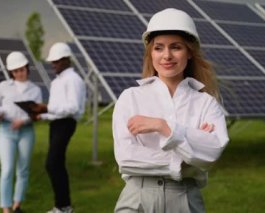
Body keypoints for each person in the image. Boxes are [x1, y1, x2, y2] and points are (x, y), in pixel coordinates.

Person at [112, 8, 229, 213]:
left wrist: (164, 127)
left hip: (185, 199)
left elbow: (212, 151)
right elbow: (127, 158)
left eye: (176, 47)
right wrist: (186, 159)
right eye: (158, 48)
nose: (166, 56)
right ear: (151, 52)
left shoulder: (206, 103)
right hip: (137, 198)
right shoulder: (130, 98)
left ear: (190, 51)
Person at [31, 42, 86, 213]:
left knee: (52, 163)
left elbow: (73, 108)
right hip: (56, 124)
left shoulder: (74, 80)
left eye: (56, 61)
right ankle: (62, 206)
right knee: (57, 164)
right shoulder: (56, 82)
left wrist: (46, 108)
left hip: (66, 124)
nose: (53, 65)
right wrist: (41, 115)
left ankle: (63, 206)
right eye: (52, 62)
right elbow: (56, 108)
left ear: (66, 60)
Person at [0, 51, 42, 213]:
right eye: (15, 71)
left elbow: (38, 113)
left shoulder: (36, 89)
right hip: (6, 131)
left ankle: (17, 204)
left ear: (27, 68)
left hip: (26, 131)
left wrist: (24, 121)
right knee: (7, 169)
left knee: (23, 169)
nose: (19, 73)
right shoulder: (3, 86)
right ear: (11, 72)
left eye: (22, 69)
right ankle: (6, 208)